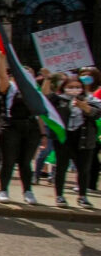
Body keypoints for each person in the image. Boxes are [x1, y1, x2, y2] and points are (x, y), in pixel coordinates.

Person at [42, 73, 100, 208]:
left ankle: (82, 196)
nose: (74, 89)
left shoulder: (89, 99)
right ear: (64, 87)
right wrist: (48, 78)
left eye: (77, 87)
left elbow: (97, 113)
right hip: (64, 138)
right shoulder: (59, 99)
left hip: (84, 139)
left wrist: (85, 107)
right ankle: (59, 196)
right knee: (61, 167)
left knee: (83, 169)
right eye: (71, 87)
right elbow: (44, 99)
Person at [0, 52, 41, 204]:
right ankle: (3, 190)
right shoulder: (9, 87)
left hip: (30, 128)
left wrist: (49, 78)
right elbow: (2, 76)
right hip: (10, 127)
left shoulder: (35, 90)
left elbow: (45, 101)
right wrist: (1, 59)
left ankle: (27, 191)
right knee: (8, 161)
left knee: (26, 162)